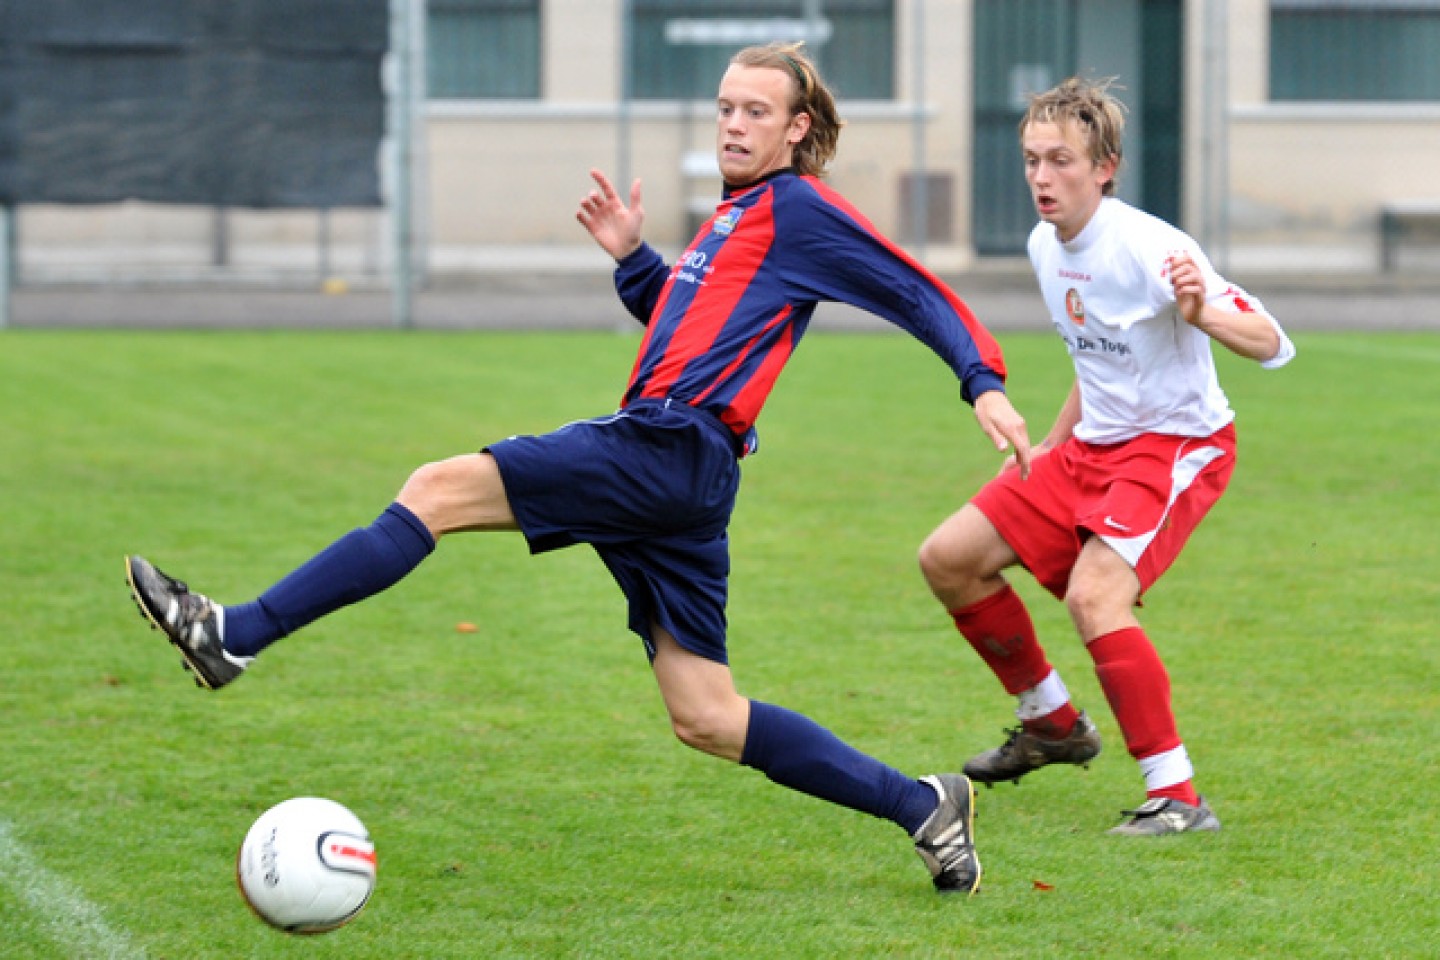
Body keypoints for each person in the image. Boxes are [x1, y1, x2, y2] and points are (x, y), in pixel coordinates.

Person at [125, 42, 1031, 894]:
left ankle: (233, 634)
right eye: (724, 107)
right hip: (685, 472)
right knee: (708, 716)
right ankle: (926, 805)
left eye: (757, 111)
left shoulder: (799, 207)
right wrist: (638, 262)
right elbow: (689, 322)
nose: (733, 125)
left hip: (667, 448)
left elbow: (913, 287)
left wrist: (981, 381)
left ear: (797, 128)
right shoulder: (737, 216)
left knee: (435, 491)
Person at [917, 76, 1295, 836]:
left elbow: (1274, 344)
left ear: (1105, 166)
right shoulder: (1043, 245)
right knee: (948, 557)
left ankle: (1178, 797)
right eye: (1031, 160)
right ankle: (1052, 723)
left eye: (1061, 160)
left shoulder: (1153, 247)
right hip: (1092, 445)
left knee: (1096, 598)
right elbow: (1099, 363)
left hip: (1176, 447)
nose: (1041, 177)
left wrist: (1202, 312)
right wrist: (1049, 449)